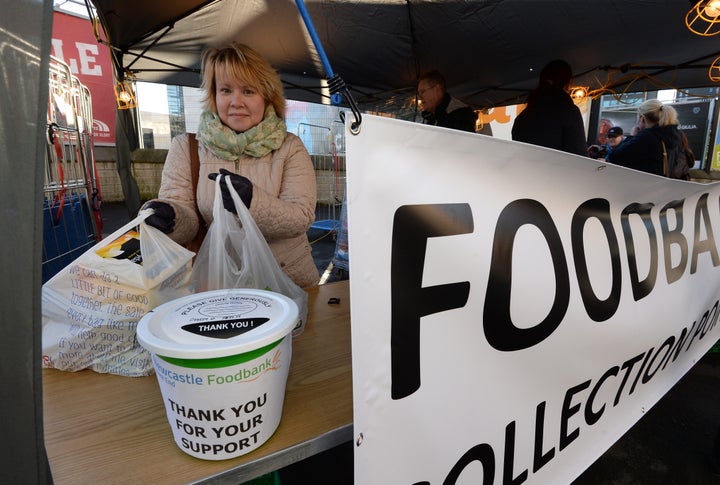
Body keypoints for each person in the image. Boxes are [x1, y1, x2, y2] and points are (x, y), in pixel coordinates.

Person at [142, 42, 319, 288]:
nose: (235, 101)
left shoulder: (290, 147)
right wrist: (170, 217)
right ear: (214, 96)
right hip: (218, 284)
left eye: (248, 91)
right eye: (225, 90)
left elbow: (300, 217)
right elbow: (187, 221)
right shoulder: (187, 147)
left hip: (285, 282)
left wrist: (251, 201)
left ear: (267, 96)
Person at [511, 59, 588, 156]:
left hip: (526, 169)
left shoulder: (523, 116)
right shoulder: (568, 111)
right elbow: (579, 154)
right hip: (557, 170)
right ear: (568, 84)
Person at [606, 99, 684, 177]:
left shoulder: (647, 136)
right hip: (663, 183)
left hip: (644, 185)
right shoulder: (674, 135)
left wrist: (632, 136)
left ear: (642, 118)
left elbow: (615, 157)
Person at [417, 70, 493, 135]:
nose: (420, 98)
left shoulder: (461, 115)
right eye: (418, 94)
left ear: (437, 89)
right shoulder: (431, 117)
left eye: (422, 92)